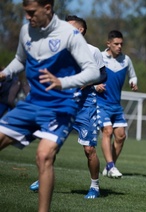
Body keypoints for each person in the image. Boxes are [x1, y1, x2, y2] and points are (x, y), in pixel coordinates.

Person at [0, 0, 100, 211]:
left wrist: (62, 82)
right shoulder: (26, 31)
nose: (28, 17)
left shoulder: (69, 35)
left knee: (44, 156)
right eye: (25, 13)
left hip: (60, 105)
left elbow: (94, 72)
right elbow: (20, 59)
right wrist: (4, 73)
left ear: (47, 8)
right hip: (32, 103)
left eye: (31, 12)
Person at [29, 15, 107, 199]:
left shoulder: (93, 51)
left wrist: (86, 83)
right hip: (61, 104)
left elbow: (103, 75)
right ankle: (43, 178)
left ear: (80, 30)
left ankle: (94, 186)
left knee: (89, 150)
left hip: (85, 105)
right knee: (49, 145)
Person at [96, 30, 138, 178]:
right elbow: (88, 75)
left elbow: (132, 75)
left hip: (116, 105)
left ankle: (110, 166)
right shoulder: (99, 57)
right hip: (101, 103)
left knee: (120, 136)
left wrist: (133, 82)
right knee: (107, 131)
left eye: (121, 44)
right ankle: (110, 166)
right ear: (108, 44)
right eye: (116, 44)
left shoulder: (126, 60)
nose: (119, 46)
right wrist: (95, 86)